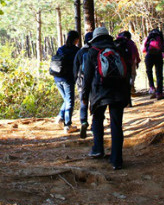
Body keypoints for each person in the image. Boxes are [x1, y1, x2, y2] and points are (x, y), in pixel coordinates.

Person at [82, 26, 130, 170]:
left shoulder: (92, 51)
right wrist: (127, 95)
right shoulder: (118, 50)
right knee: (116, 125)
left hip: (99, 92)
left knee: (97, 119)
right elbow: (126, 74)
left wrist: (84, 96)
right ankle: (117, 160)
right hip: (118, 92)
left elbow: (87, 77)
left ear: (95, 38)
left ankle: (98, 149)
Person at [53, 30, 80, 134]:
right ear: (76, 39)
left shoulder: (61, 49)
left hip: (57, 77)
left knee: (66, 99)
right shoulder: (76, 50)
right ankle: (68, 125)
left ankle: (60, 117)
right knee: (69, 101)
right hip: (67, 79)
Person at [74, 31, 93, 139]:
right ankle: (94, 125)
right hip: (94, 82)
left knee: (83, 102)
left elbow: (75, 68)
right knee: (94, 103)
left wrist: (76, 80)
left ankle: (84, 122)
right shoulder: (95, 50)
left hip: (82, 81)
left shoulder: (80, 52)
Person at [142, 28, 164, 100]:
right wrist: (162, 56)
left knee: (149, 72)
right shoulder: (160, 38)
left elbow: (143, 49)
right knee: (159, 74)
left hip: (149, 56)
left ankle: (152, 88)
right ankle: (159, 93)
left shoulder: (148, 38)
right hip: (158, 56)